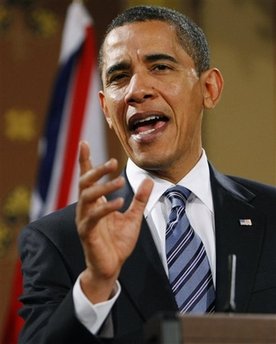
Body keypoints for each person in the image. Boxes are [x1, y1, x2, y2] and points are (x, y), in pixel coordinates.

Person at [18, 5, 276, 344]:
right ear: (106, 109)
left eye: (160, 67)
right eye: (119, 77)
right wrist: (96, 283)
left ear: (209, 89)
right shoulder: (57, 241)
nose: (137, 90)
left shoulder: (271, 214)